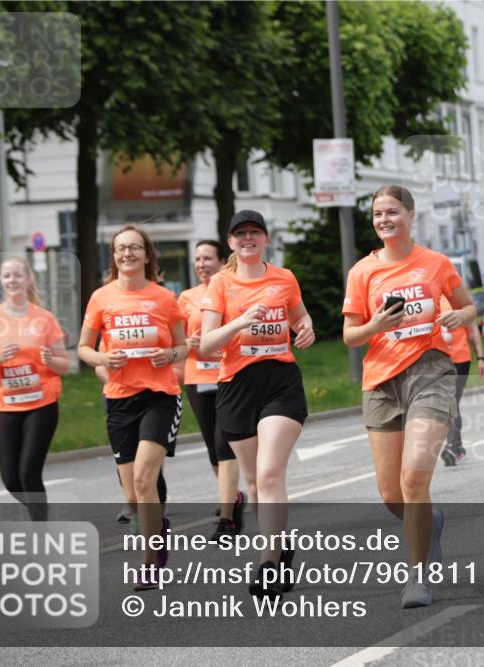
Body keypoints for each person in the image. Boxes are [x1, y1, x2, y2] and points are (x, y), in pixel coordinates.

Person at [342, 185, 477, 608]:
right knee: (391, 494)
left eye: (393, 212)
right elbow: (349, 336)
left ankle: (417, 575)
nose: (384, 220)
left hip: (430, 373)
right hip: (381, 382)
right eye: (378, 214)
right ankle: (429, 523)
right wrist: (376, 325)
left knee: (414, 478)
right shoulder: (362, 272)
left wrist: (458, 315)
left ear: (411, 215)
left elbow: (469, 306)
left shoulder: (435, 263)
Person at [198, 210, 315, 600]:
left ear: (265, 239)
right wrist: (241, 322)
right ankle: (280, 549)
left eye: (255, 232)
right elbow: (208, 344)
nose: (247, 238)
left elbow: (300, 317)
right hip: (235, 387)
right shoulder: (220, 283)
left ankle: (267, 561)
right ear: (230, 242)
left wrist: (307, 328)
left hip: (280, 383)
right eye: (240, 234)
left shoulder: (284, 278)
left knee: (268, 475)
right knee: (253, 480)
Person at [78, 225, 187, 590]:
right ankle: (160, 524)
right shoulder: (101, 298)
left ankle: (149, 564)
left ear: (146, 255)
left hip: (160, 395)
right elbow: (83, 349)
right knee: (133, 493)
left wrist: (169, 354)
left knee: (143, 479)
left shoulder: (164, 297)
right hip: (120, 398)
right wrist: (104, 357)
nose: (127, 254)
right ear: (114, 256)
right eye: (120, 248)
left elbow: (183, 347)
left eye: (134, 248)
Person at [0, 257, 68, 521]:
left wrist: (51, 360)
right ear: (1, 281)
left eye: (17, 275)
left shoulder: (44, 318)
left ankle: (40, 530)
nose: (12, 280)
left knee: (28, 472)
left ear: (27, 280)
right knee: (11, 479)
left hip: (42, 403)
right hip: (6, 405)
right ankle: (41, 513)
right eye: (7, 276)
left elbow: (63, 364)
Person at [177, 240, 246, 541]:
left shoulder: (232, 291)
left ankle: (227, 517)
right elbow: (177, 340)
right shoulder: (186, 297)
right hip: (198, 376)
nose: (201, 264)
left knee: (224, 443)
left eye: (207, 258)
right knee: (212, 447)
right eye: (197, 259)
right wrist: (187, 345)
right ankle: (234, 497)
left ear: (221, 261)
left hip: (229, 375)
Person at [439, 294, 484, 466]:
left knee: (451, 401)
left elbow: (473, 331)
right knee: (446, 404)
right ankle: (457, 447)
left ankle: (452, 445)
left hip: (460, 359)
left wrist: (481, 358)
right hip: (437, 360)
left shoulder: (460, 301)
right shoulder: (428, 298)